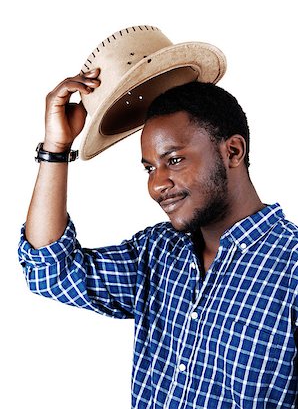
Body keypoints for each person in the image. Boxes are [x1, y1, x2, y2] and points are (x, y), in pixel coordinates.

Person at [18, 69, 298, 408]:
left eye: (174, 160)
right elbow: (51, 270)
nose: (156, 185)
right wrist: (56, 148)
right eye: (150, 168)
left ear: (233, 152)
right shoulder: (157, 251)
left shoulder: (291, 269)